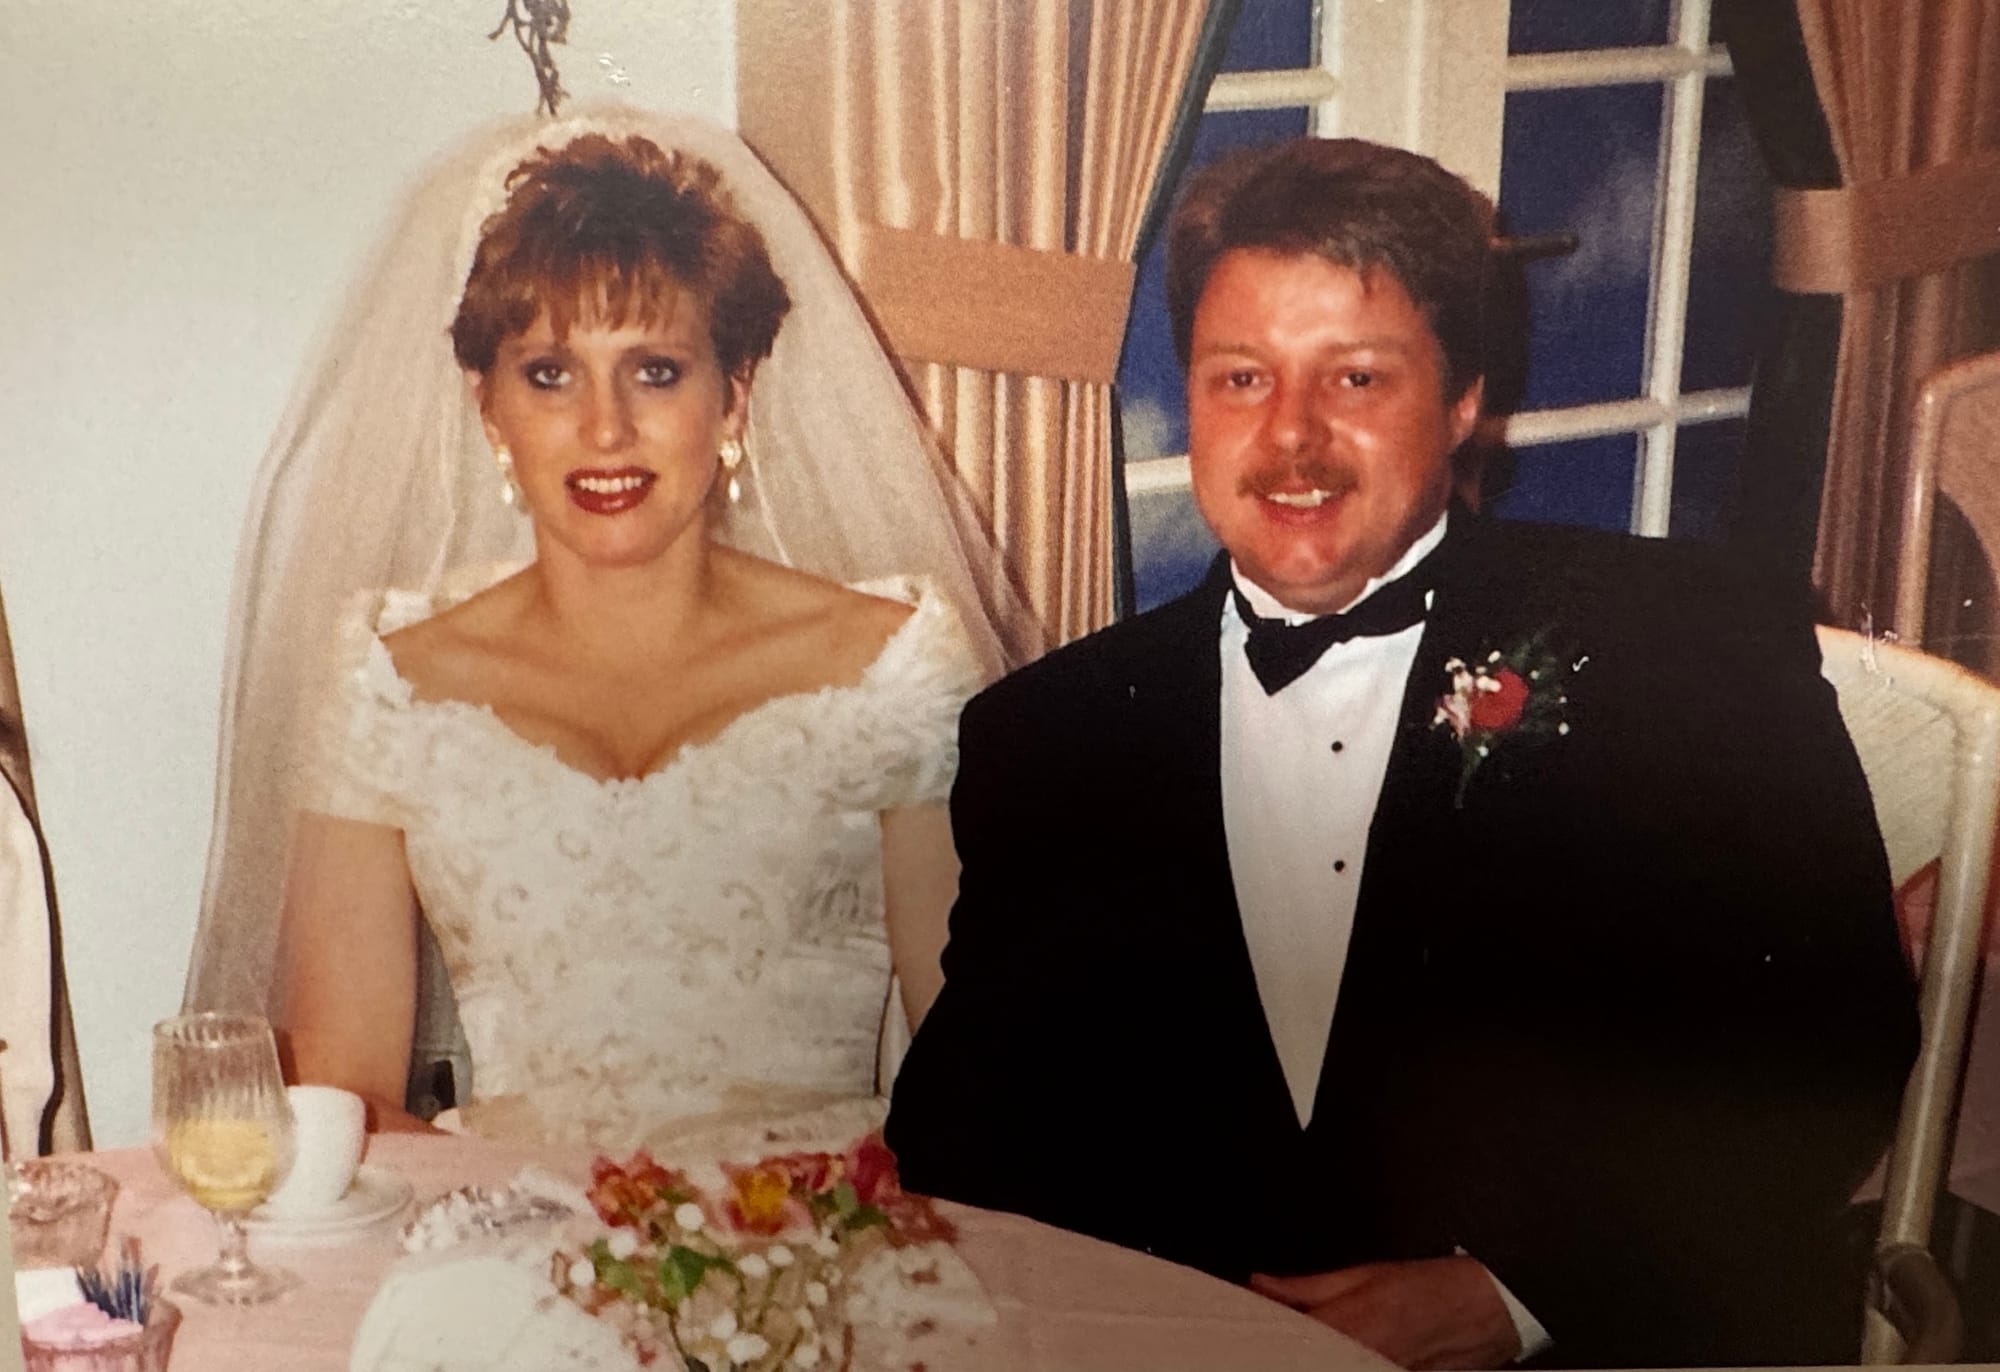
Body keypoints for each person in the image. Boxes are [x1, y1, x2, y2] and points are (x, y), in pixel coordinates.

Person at [885, 137, 1918, 1369]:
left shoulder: (1677, 640)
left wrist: (1515, 1293)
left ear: (1465, 396)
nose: (1292, 442)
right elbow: (964, 1129)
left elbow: (1824, 1042)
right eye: (1240, 379)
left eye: (1357, 379)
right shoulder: (1049, 732)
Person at [182, 107, 1041, 1152]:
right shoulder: (390, 677)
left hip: (822, 1256)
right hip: (519, 1250)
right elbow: (344, 1101)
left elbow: (994, 1072)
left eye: (656, 370)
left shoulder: (891, 668)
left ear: (733, 399)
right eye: (549, 374)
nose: (604, 428)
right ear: (487, 407)